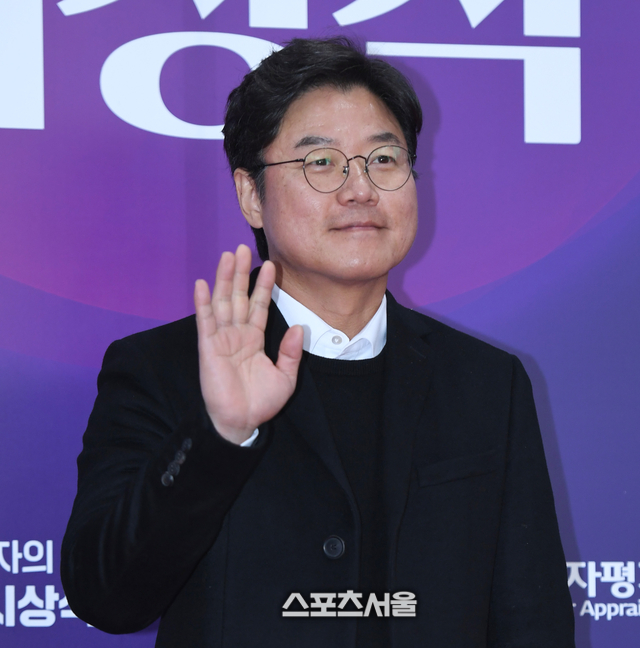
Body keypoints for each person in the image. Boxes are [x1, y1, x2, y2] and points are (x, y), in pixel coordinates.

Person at [61, 37, 575, 647]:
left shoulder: (487, 383)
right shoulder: (162, 368)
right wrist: (221, 434)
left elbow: (532, 621)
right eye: (322, 162)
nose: (360, 189)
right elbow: (107, 598)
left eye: (383, 159)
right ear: (251, 194)